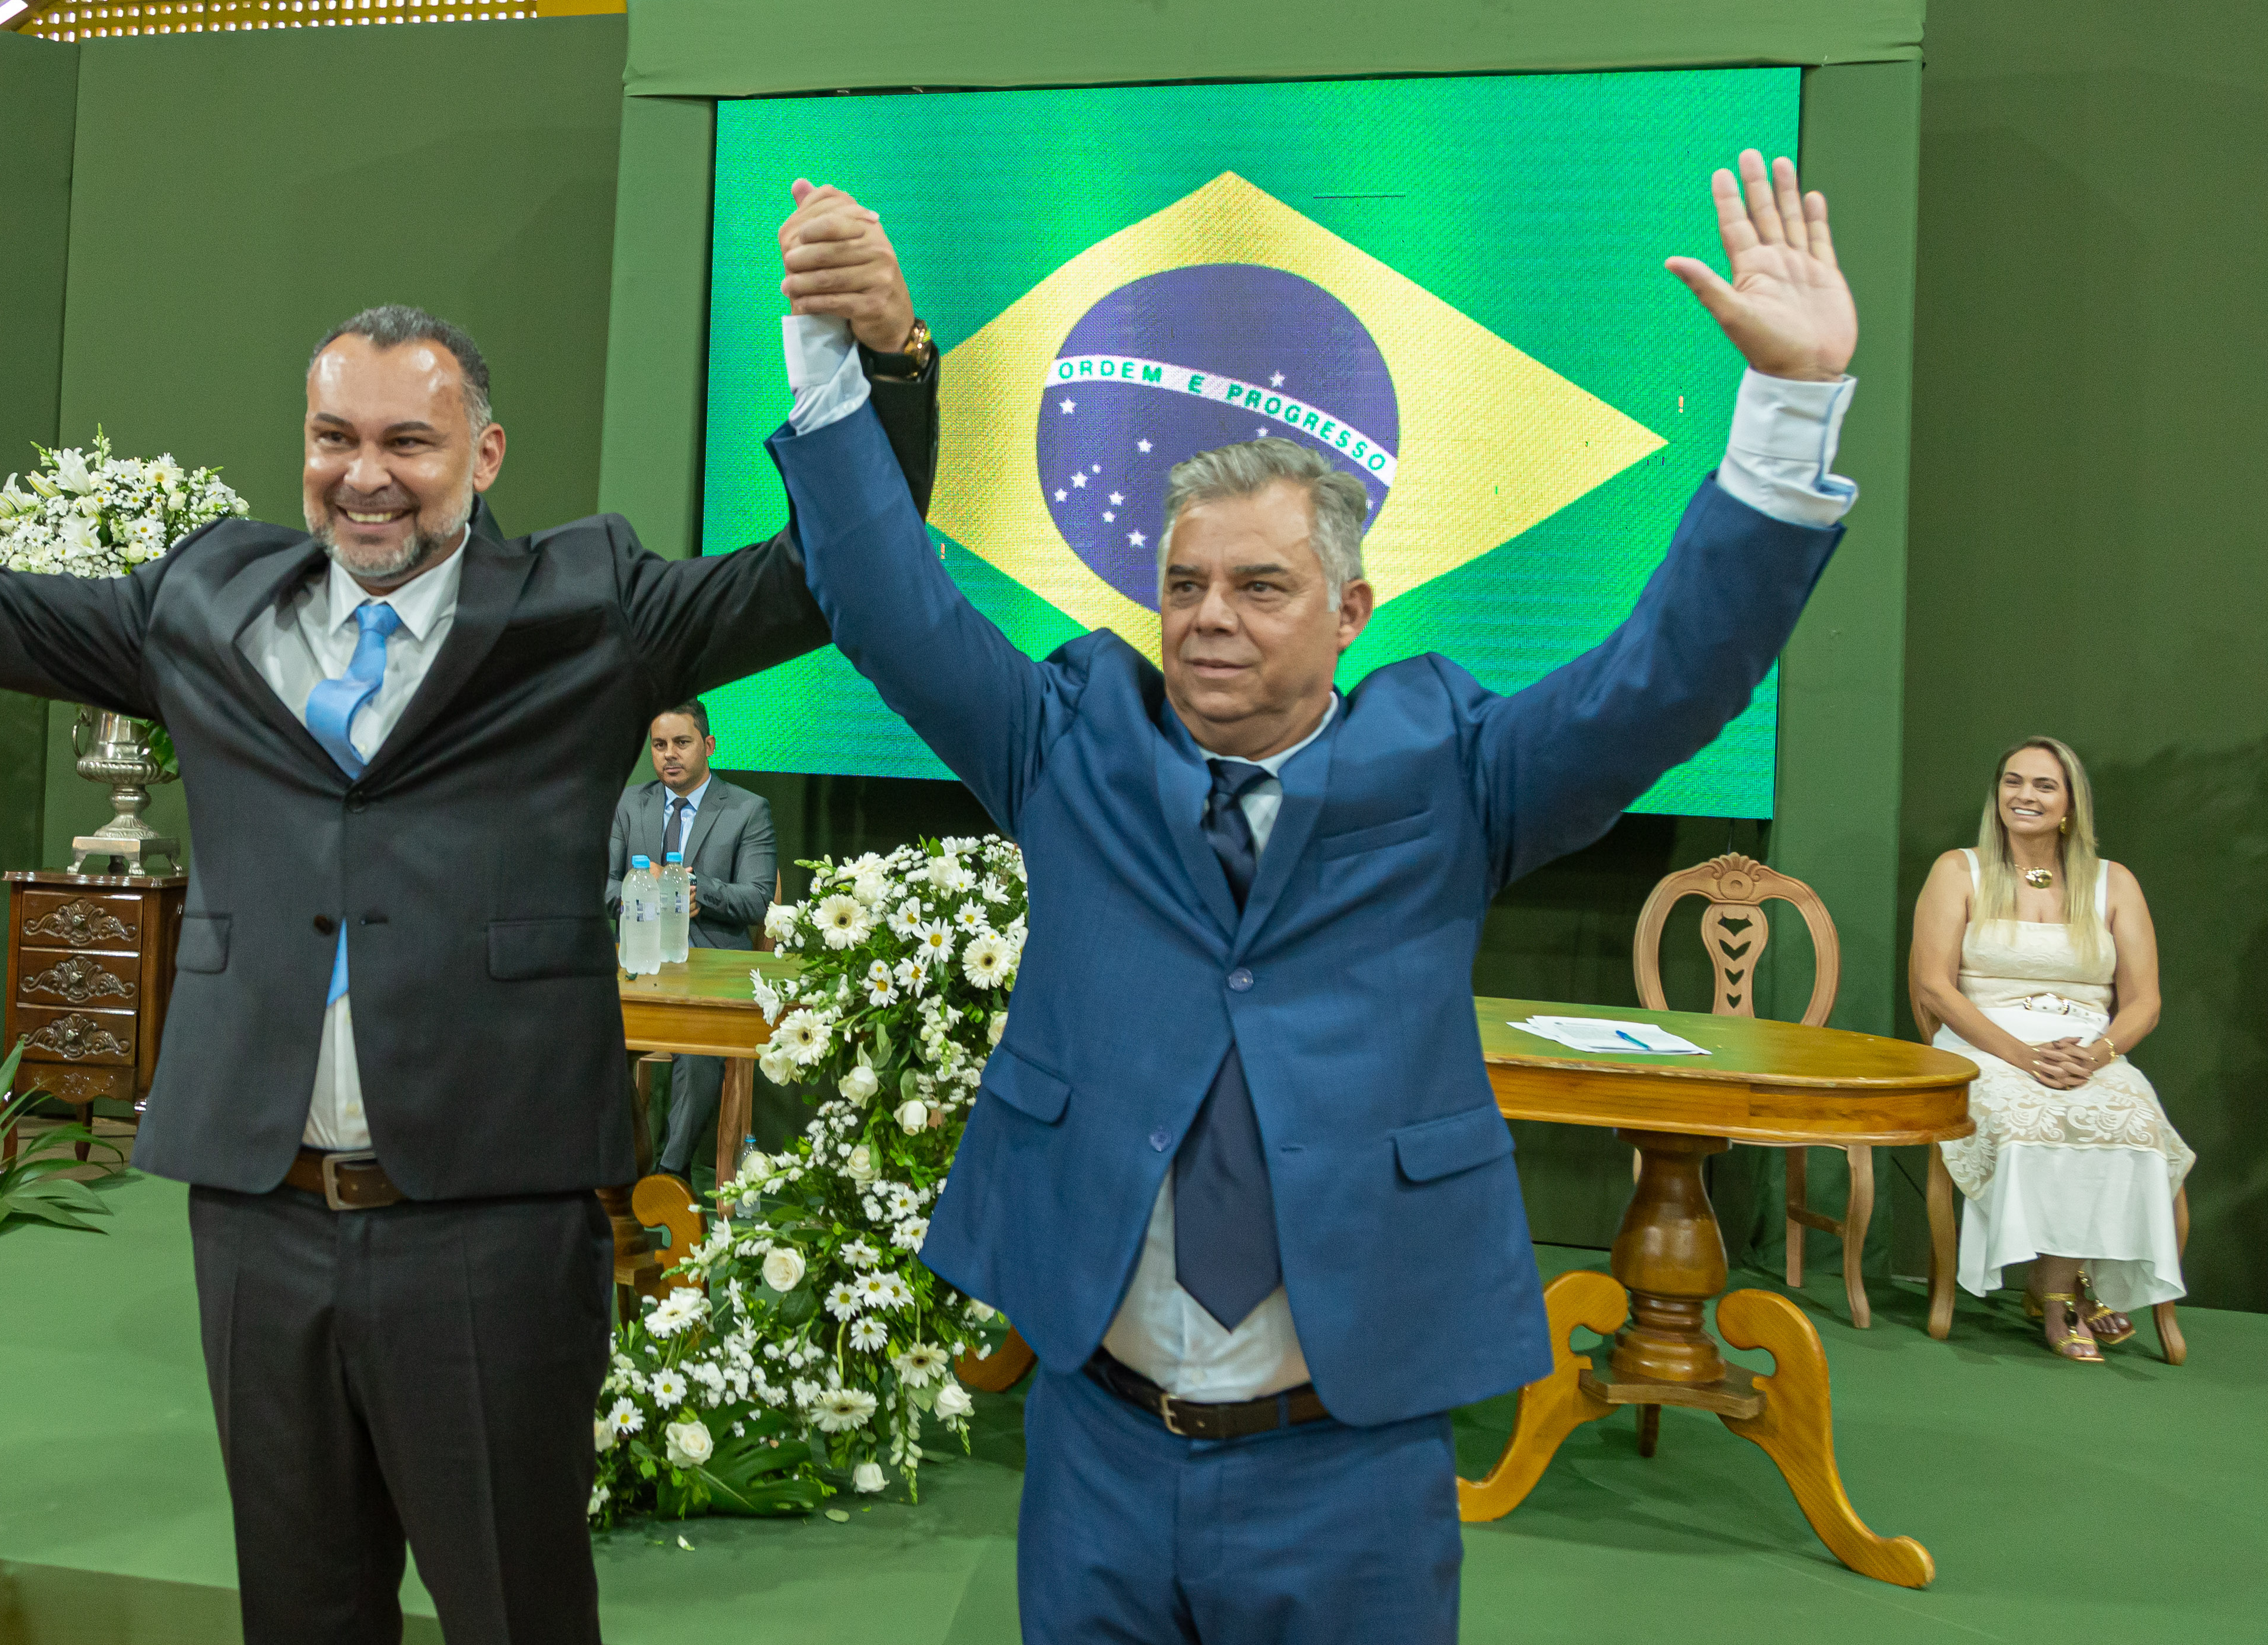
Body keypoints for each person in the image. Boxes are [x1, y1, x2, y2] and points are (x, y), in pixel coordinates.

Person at [0, 156, 938, 1645]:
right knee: (300, 1612)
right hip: (258, 1218)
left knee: (516, 1610)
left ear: (485, 454)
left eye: (408, 442)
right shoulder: (202, 603)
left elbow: (830, 577)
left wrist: (886, 361)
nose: (364, 472)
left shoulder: (588, 604)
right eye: (334, 436)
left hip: (489, 1220)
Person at [767, 154, 1858, 1642]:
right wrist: (834, 370)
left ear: (1348, 610)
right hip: (1092, 1442)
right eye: (1184, 584)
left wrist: (1786, 411)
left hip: (1346, 1454)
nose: (1208, 617)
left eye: (1259, 587)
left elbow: (1665, 676)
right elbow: (888, 601)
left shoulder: (1458, 777)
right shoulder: (1065, 744)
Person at [1910, 736, 2192, 1363]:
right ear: (1997, 794)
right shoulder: (1958, 871)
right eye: (2013, 782)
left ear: (2069, 804)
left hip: (2086, 1046)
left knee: (2133, 1122)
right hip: (1983, 1043)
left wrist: (2096, 1055)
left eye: (2043, 785)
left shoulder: (2113, 883)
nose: (2024, 796)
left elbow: (2143, 1001)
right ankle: (2060, 1298)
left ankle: (2057, 1284)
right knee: (2024, 1118)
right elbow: (1933, 984)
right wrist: (2020, 1055)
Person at [604, 699, 777, 1183]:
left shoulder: (747, 810)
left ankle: (667, 1176)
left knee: (699, 1054)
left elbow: (760, 900)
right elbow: (602, 885)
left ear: (708, 745)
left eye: (681, 742)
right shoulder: (630, 804)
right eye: (659, 745)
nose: (669, 755)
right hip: (637, 965)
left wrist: (696, 889)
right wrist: (647, 892)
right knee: (588, 1038)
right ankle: (613, 1169)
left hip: (711, 966)